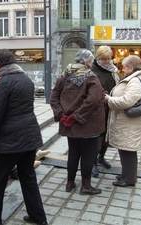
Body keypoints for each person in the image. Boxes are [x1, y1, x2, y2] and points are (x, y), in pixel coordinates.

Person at [0, 49, 48, 225]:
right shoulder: (25, 79)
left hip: (10, 140)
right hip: (30, 137)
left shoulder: (3, 82)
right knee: (28, 177)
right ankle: (38, 217)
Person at [50, 49, 105, 195]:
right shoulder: (91, 77)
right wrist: (76, 116)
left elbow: (54, 97)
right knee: (88, 155)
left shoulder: (64, 75)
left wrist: (61, 114)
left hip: (70, 124)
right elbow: (92, 100)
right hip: (87, 124)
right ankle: (86, 186)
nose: (92, 64)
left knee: (73, 153)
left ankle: (70, 183)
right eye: (91, 61)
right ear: (87, 62)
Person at [104, 55, 141, 187]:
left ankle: (128, 179)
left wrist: (109, 100)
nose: (122, 69)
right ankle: (127, 174)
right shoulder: (135, 77)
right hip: (128, 121)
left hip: (129, 122)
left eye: (124, 67)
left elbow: (127, 101)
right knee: (125, 149)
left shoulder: (135, 80)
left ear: (131, 68)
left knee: (128, 150)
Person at [91, 45, 120, 177]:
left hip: (111, 106)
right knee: (98, 135)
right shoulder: (93, 69)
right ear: (98, 57)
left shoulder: (113, 69)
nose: (107, 61)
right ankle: (93, 162)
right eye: (104, 59)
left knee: (108, 134)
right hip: (98, 108)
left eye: (109, 58)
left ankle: (101, 157)